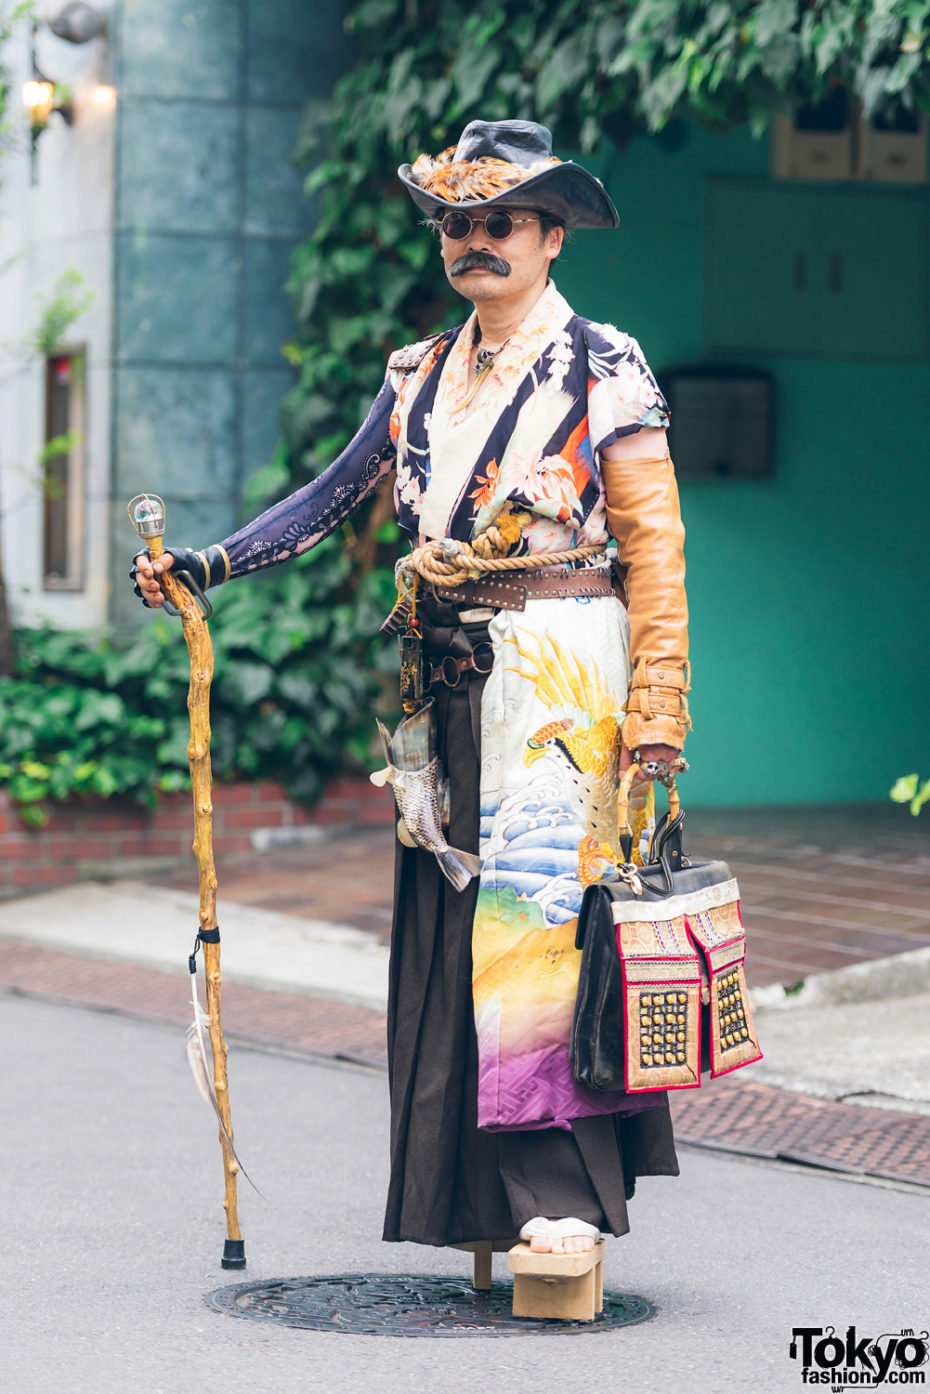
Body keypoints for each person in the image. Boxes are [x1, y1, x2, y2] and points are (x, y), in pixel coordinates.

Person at [133, 120, 690, 1260]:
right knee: (449, 927)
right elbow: (331, 496)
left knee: (541, 928)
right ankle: (473, 1204)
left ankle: (562, 1204)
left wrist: (659, 707)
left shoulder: (607, 365)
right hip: (443, 682)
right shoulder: (418, 371)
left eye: (500, 222)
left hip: (563, 682)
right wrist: (209, 564)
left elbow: (655, 546)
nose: (474, 240)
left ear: (550, 237)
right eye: (457, 223)